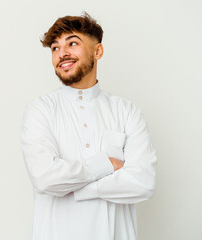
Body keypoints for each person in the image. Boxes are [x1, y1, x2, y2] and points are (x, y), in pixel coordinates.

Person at [20, 12, 157, 240]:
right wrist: (106, 164)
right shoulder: (40, 110)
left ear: (98, 51)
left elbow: (144, 182)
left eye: (72, 43)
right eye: (55, 48)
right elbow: (45, 178)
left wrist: (75, 188)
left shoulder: (126, 111)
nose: (62, 53)